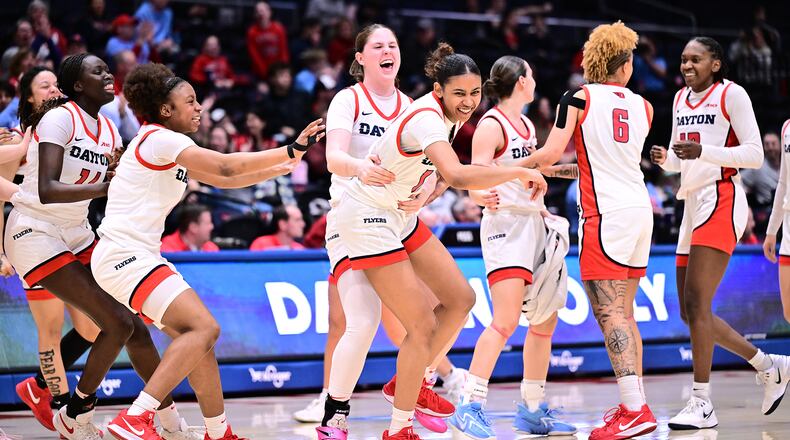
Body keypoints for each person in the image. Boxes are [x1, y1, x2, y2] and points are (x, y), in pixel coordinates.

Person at [90, 62, 323, 439]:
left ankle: (218, 432)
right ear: (166, 110)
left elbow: (226, 179)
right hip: (125, 255)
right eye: (191, 101)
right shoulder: (161, 139)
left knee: (198, 338)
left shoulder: (165, 144)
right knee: (205, 327)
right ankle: (135, 417)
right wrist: (289, 148)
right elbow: (227, 168)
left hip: (132, 255)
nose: (199, 107)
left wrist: (288, 161)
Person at [332, 42, 546, 440]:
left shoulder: (449, 117)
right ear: (438, 90)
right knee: (419, 322)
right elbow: (462, 175)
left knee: (462, 299)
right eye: (459, 94)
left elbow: (444, 171)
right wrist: (516, 172)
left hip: (399, 212)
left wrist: (433, 182)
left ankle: (407, 383)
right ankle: (398, 426)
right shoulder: (429, 118)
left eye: (475, 93)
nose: (468, 102)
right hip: (367, 215)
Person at [3, 53, 183, 440]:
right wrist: (108, 185)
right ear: (78, 85)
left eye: (107, 68)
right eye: (97, 71)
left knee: (134, 326)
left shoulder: (109, 131)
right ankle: (76, 415)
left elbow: (118, 185)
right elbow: (47, 190)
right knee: (115, 323)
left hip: (78, 231)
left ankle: (168, 421)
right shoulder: (60, 118)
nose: (108, 74)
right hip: (35, 229)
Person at [307, 26, 464, 439]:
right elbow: (333, 158)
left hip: (399, 217)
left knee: (446, 304)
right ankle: (335, 415)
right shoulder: (349, 99)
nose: (387, 50)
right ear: (360, 58)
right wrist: (362, 168)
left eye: (393, 44)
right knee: (361, 321)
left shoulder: (414, 106)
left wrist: (428, 191)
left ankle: (414, 384)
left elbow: (434, 170)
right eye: (377, 46)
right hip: (353, 212)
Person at [519, 22, 657, 440]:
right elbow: (593, 163)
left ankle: (634, 409)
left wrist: (502, 169)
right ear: (626, 64)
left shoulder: (577, 96)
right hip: (640, 210)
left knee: (609, 311)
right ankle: (638, 403)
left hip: (607, 216)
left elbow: (547, 151)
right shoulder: (644, 106)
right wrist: (547, 170)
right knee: (625, 312)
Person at [652, 36, 790, 430]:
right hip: (691, 202)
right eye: (682, 59)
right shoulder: (680, 101)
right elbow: (684, 161)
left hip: (723, 198)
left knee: (697, 302)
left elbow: (754, 155)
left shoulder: (732, 94)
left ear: (715, 63)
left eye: (695, 59)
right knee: (688, 310)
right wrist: (670, 162)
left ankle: (701, 402)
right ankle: (768, 365)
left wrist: (703, 153)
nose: (687, 65)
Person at [447, 55, 576, 439]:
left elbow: (528, 170)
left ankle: (532, 409)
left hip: (535, 224)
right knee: (504, 322)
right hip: (506, 228)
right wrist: (478, 195)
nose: (535, 81)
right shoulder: (491, 123)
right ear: (521, 81)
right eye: (531, 75)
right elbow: (472, 175)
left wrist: (550, 177)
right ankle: (469, 404)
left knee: (544, 322)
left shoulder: (524, 124)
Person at [5, 66, 101, 434]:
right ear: (29, 97)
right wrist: (28, 197)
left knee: (92, 328)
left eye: (55, 84)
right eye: (43, 86)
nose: (53, 90)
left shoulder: (71, 128)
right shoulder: (22, 136)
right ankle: (60, 404)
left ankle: (36, 385)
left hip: (72, 234)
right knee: (49, 327)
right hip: (34, 234)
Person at [765, 121, 790, 324]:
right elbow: (783, 181)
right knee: (788, 311)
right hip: (788, 229)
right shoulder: (786, 128)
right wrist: (772, 230)